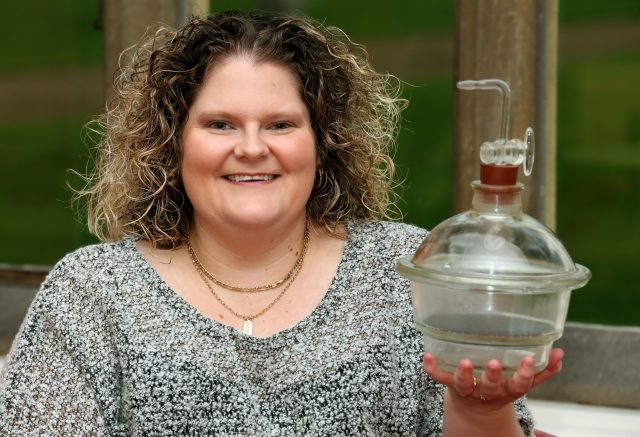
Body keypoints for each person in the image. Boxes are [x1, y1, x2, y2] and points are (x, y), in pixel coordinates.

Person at [0, 10, 562, 436]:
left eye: (280, 124)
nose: (251, 148)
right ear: (171, 143)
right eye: (220, 124)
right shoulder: (93, 294)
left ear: (324, 142)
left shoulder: (411, 276)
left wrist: (478, 408)